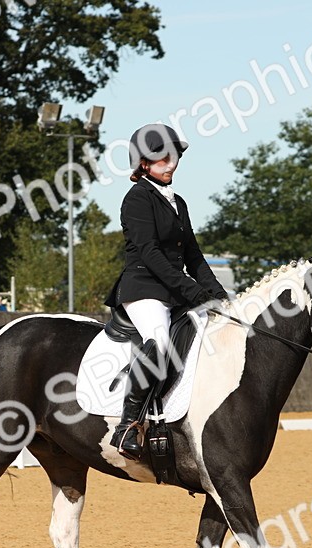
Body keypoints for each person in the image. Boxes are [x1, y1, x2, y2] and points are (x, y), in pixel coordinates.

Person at [103, 123, 230, 460]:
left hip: (174, 291)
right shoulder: (136, 200)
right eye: (162, 159)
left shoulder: (179, 202)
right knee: (158, 343)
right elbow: (152, 256)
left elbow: (194, 257)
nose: (171, 163)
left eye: (173, 157)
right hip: (143, 288)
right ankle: (128, 425)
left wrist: (220, 296)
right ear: (143, 163)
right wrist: (194, 293)